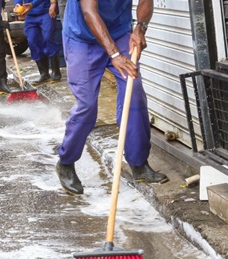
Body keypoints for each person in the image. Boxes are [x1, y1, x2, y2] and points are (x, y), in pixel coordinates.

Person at [55, 0, 168, 195]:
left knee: (134, 92)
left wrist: (140, 27)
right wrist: (114, 53)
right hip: (82, 38)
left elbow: (145, 1)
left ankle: (138, 163)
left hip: (118, 32)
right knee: (87, 106)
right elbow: (89, 11)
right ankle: (66, 161)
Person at [14, 0, 61, 85]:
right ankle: (44, 74)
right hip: (30, 15)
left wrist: (33, 4)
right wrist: (18, 4)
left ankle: (56, 72)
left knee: (48, 39)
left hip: (46, 11)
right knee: (32, 41)